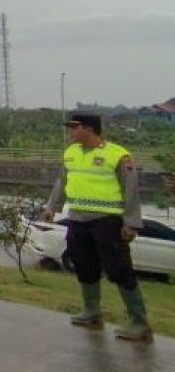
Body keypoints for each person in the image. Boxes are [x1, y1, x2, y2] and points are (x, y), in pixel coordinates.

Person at [41, 112, 151, 341]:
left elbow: (130, 190)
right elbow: (62, 181)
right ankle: (91, 311)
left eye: (74, 127)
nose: (70, 132)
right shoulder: (70, 153)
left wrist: (130, 223)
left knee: (119, 268)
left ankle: (138, 321)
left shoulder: (118, 155)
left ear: (89, 129)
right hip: (78, 220)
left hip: (107, 221)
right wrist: (52, 206)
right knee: (83, 265)